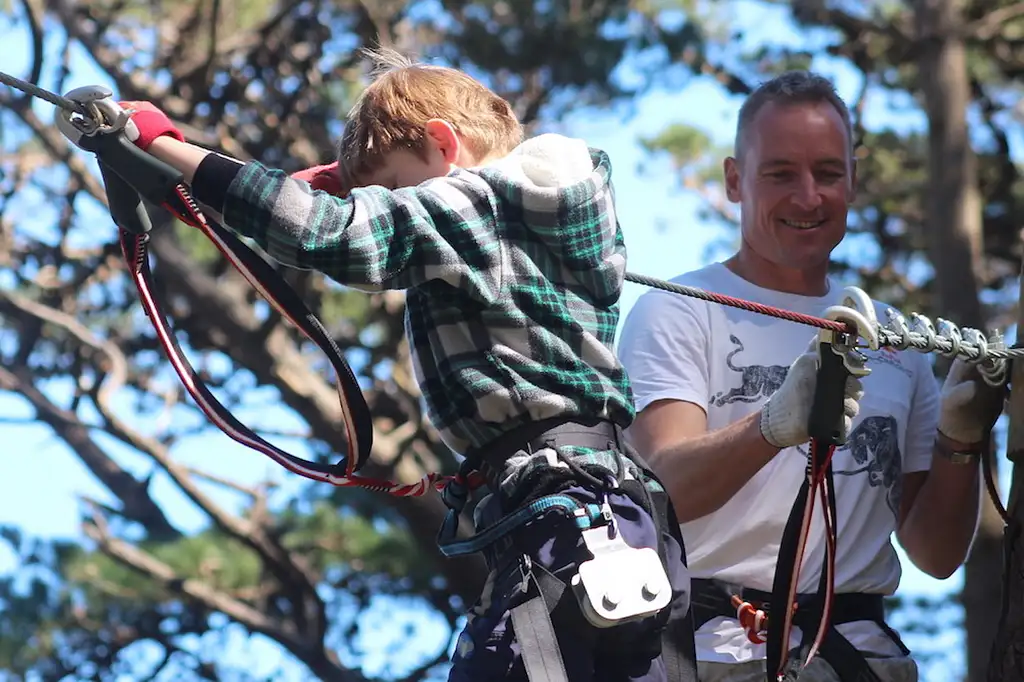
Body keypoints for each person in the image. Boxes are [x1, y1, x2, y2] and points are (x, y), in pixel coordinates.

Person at [61, 48, 699, 682]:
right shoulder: (543, 216)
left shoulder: (480, 203)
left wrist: (168, 148)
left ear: (445, 145)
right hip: (612, 515)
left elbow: (328, 235)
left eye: (393, 188)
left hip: (561, 513)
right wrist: (352, 183)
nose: (391, 206)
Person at [616, 70, 1008, 682]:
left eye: (827, 173)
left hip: (861, 659)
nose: (807, 197)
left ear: (854, 178)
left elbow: (935, 554)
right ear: (733, 180)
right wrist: (771, 427)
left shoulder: (895, 342)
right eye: (780, 174)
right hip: (712, 654)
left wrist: (962, 440)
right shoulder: (681, 309)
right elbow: (661, 497)